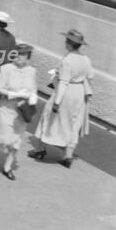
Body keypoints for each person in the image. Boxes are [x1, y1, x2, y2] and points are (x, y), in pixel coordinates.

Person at [28, 29, 94, 168]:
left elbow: (64, 82)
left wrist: (57, 102)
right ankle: (68, 155)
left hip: (67, 91)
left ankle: (40, 149)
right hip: (79, 92)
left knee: (49, 117)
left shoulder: (67, 60)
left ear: (69, 43)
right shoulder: (86, 59)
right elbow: (90, 76)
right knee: (74, 122)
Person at [0, 44, 38, 180]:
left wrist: (32, 97)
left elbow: (33, 88)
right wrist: (14, 94)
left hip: (22, 111)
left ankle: (7, 167)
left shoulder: (31, 71)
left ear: (28, 58)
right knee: (4, 139)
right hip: (7, 107)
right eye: (18, 56)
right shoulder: (6, 69)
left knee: (16, 140)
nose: (20, 59)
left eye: (24, 57)